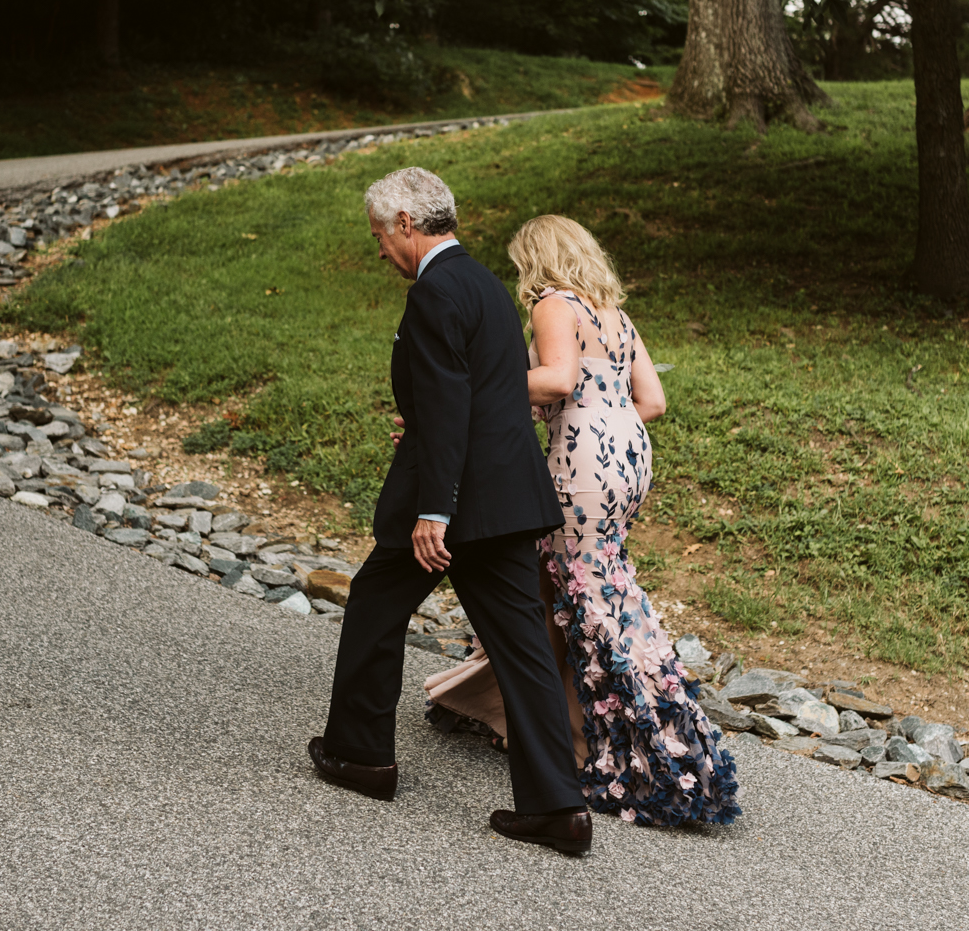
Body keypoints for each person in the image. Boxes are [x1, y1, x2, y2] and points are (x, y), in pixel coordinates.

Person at [308, 168, 593, 856]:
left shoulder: (435, 292)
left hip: (454, 502)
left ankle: (362, 755)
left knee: (376, 598)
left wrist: (435, 508)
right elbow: (484, 395)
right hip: (507, 497)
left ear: (406, 222)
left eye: (380, 234)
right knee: (523, 647)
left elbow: (444, 404)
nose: (380, 249)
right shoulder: (488, 286)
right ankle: (559, 805)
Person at [423, 214, 741, 827]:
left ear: (536, 260)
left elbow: (557, 379)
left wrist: (468, 392)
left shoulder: (553, 303)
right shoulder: (616, 316)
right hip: (626, 456)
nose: (519, 277)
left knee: (585, 598)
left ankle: (643, 747)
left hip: (581, 459)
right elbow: (653, 401)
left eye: (521, 264)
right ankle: (515, 714)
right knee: (553, 586)